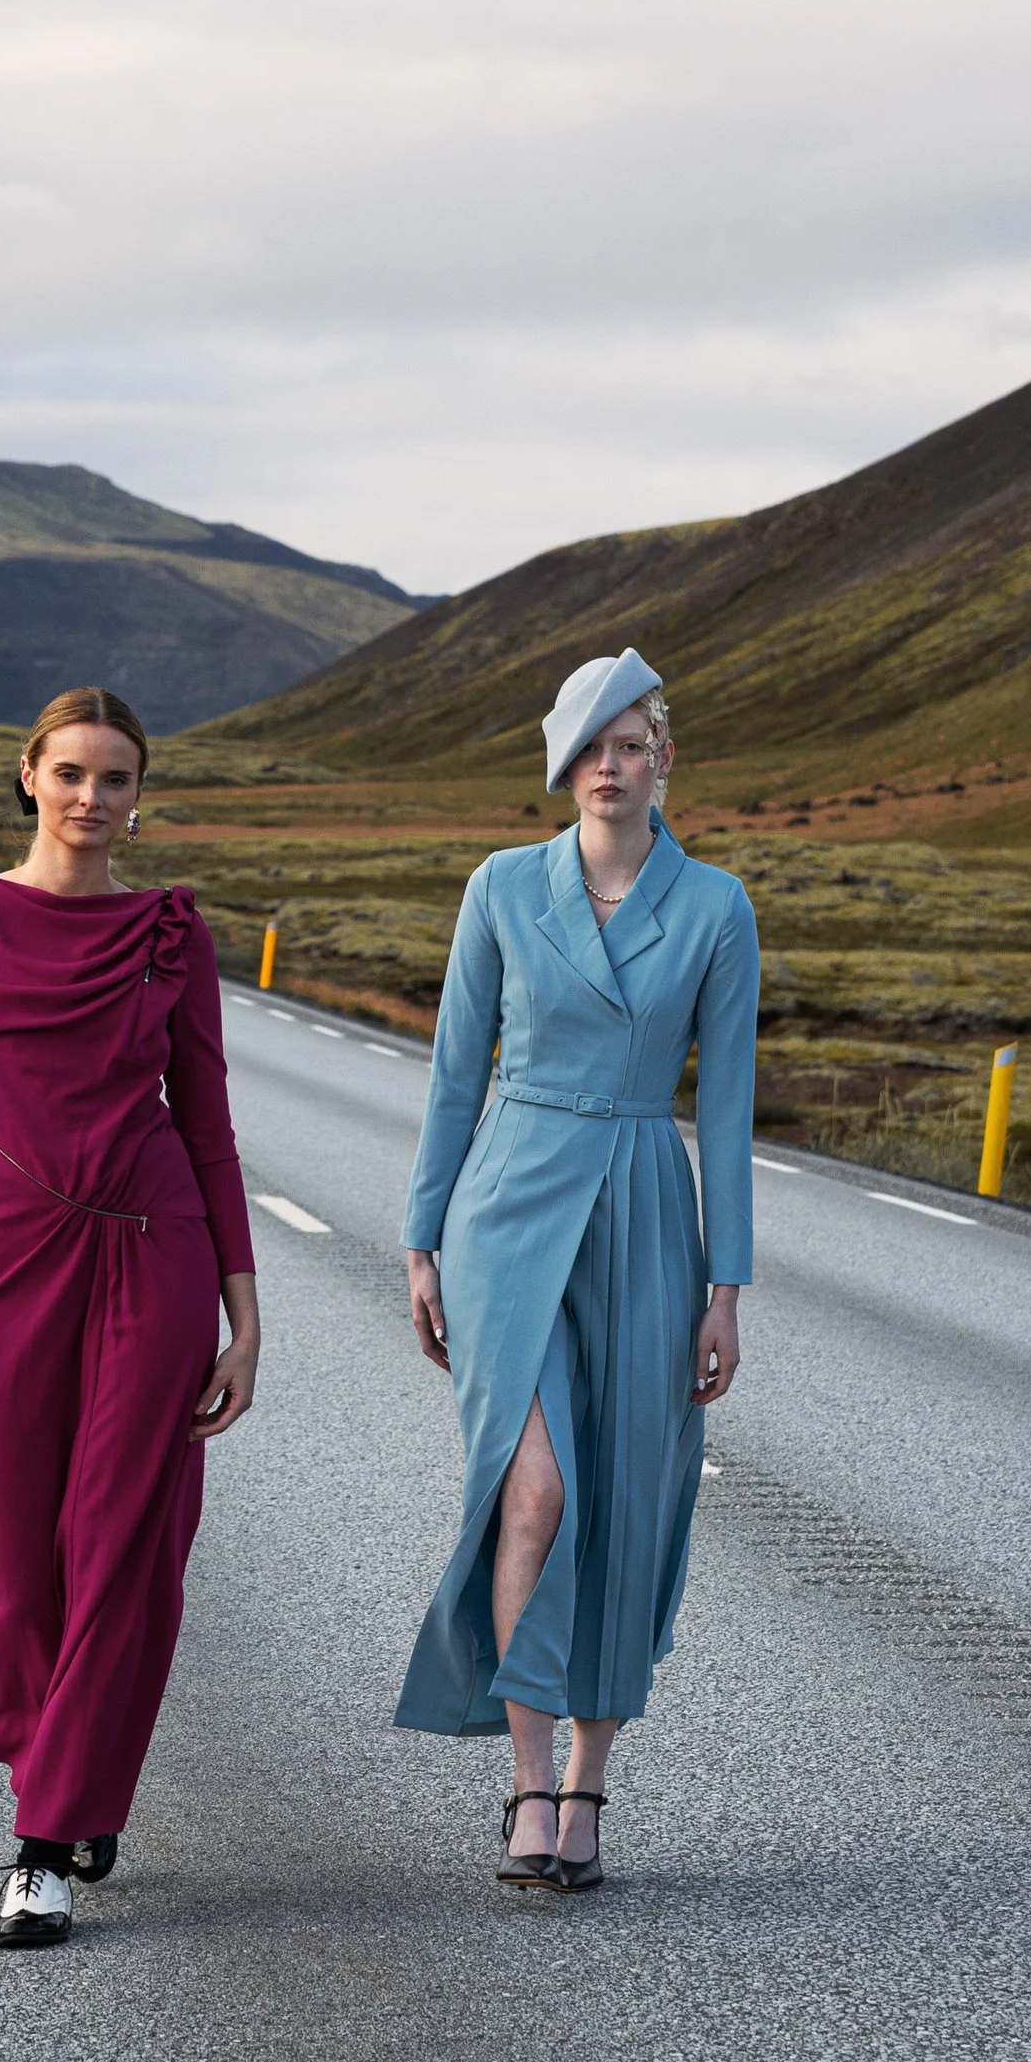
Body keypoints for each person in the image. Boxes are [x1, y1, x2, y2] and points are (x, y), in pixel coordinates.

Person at [0, 688, 261, 1950]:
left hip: (154, 1249)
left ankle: (43, 1844)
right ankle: (66, 1757)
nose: (93, 797)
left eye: (117, 777)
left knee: (119, 1536)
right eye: (74, 772)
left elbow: (206, 1123)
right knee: (7, 1522)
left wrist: (243, 1313)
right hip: (9, 1253)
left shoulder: (168, 932)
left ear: (140, 796)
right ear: (28, 774)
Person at [396, 649, 758, 1889]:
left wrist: (725, 1288)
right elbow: (455, 1072)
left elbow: (726, 1111)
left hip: (646, 1207)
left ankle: (588, 1785)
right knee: (536, 1489)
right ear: (563, 762)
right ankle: (527, 1782)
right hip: (508, 1207)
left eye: (631, 742)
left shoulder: (715, 906)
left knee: (625, 1497)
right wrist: (420, 1239)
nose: (610, 765)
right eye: (591, 745)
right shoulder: (502, 885)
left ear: (664, 759)